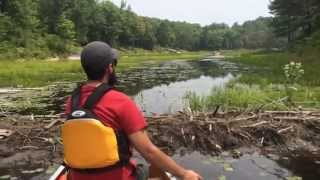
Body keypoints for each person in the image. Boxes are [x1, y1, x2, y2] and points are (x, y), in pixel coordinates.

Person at [64, 41, 202, 180]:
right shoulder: (120, 101)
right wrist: (184, 174)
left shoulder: (72, 102)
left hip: (78, 177)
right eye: (114, 63)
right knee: (150, 168)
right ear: (109, 68)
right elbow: (149, 152)